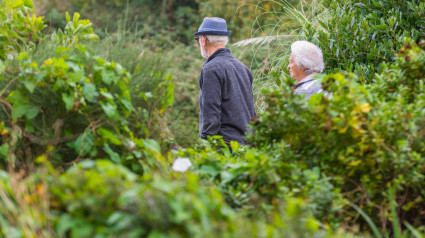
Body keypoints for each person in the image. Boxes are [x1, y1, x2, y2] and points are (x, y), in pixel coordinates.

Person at [194, 17, 256, 146]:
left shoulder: (211, 69)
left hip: (225, 146)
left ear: (203, 40)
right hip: (247, 144)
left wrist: (205, 145)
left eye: (198, 39)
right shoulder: (243, 68)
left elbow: (210, 115)